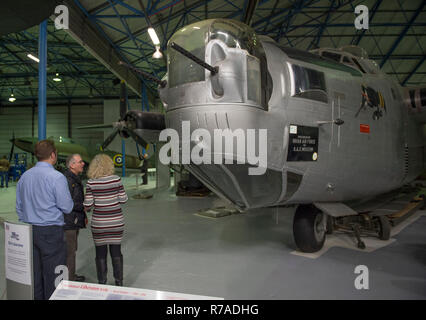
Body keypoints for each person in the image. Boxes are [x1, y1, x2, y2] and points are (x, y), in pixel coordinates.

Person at [16, 140, 73, 300]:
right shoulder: (56, 177)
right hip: (51, 232)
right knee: (55, 275)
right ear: (53, 155)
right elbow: (67, 207)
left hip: (29, 231)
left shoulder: (25, 176)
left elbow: (19, 207)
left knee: (36, 275)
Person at [83, 154, 128, 286]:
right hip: (116, 222)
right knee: (116, 251)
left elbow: (88, 205)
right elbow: (124, 199)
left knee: (100, 253)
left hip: (99, 223)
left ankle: (102, 283)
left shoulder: (91, 182)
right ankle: (119, 283)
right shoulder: (116, 180)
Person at [63, 154, 87, 282]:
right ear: (72, 165)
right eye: (80, 162)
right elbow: (68, 203)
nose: (83, 163)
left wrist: (84, 214)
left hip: (74, 219)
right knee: (70, 251)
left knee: (72, 250)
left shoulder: (74, 179)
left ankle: (70, 275)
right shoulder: (68, 181)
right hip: (69, 221)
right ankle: (69, 279)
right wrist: (84, 206)